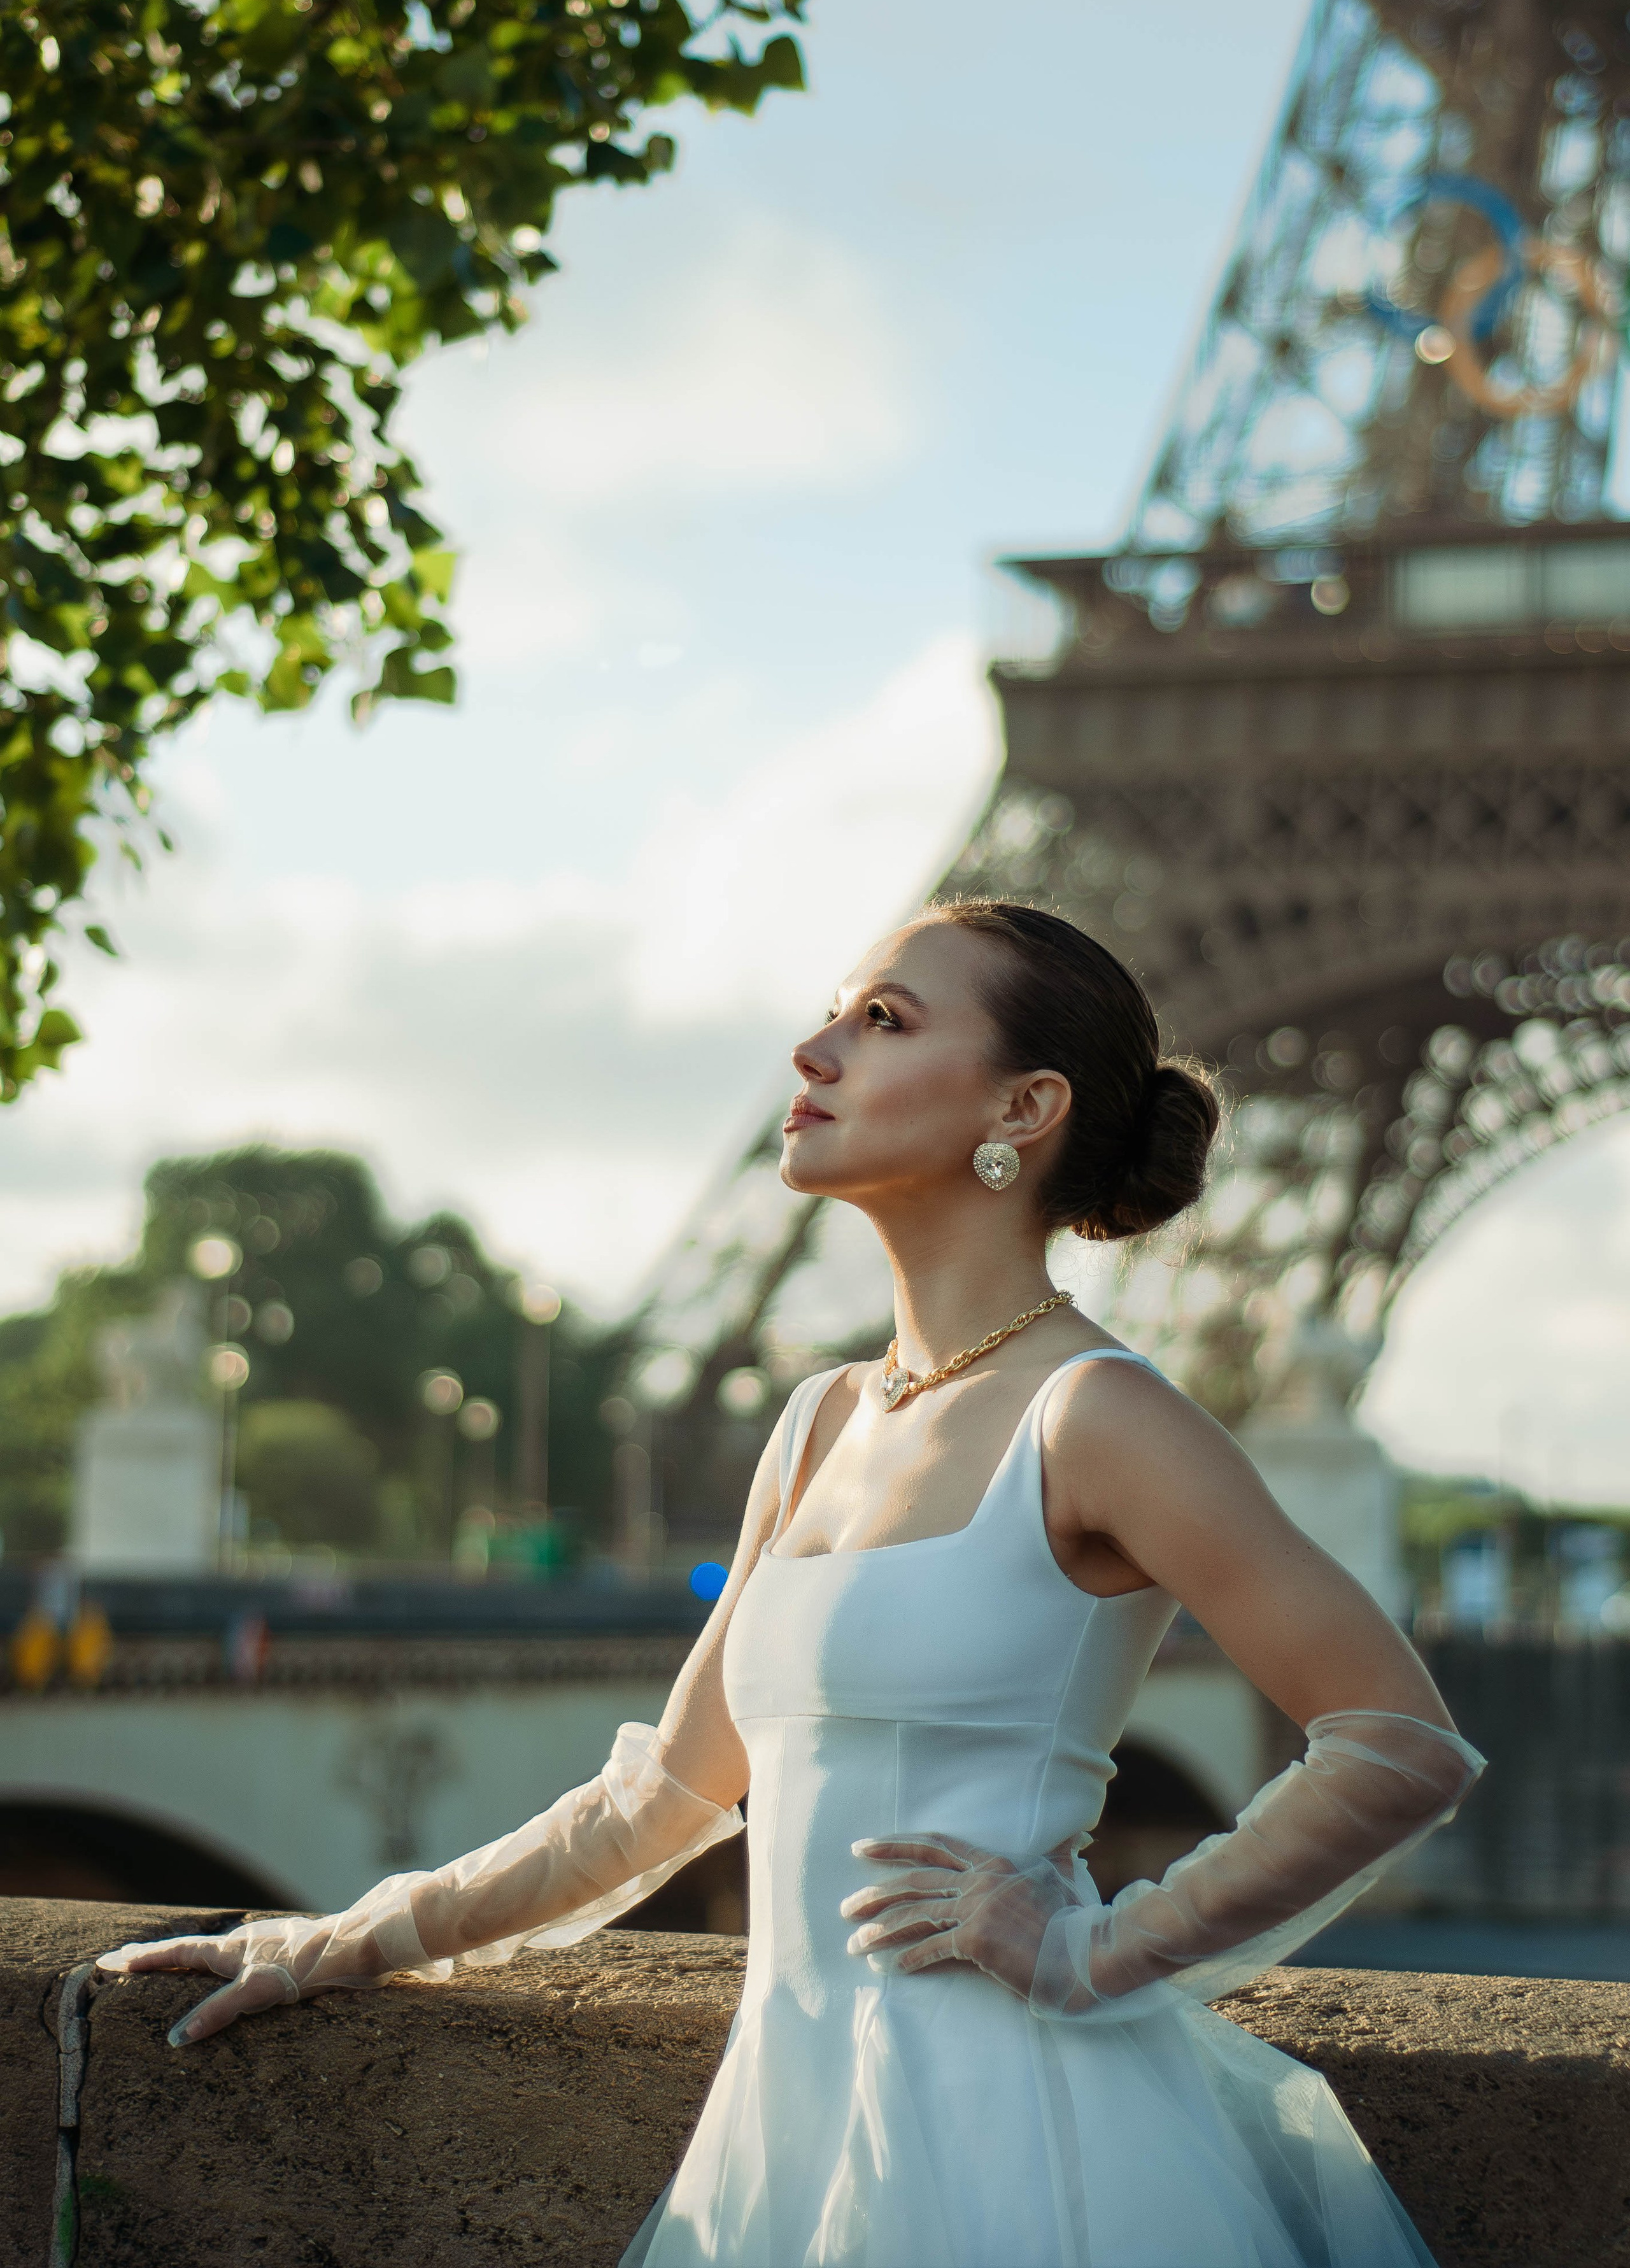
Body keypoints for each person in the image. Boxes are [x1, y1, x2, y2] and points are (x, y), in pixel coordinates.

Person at [102, 902, 1482, 2267]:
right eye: (834, 1010)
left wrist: (1101, 1947)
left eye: (880, 1019)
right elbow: (655, 1801)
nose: (813, 1049)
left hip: (1030, 2146)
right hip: (794, 2127)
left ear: (1025, 1105)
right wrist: (348, 1934)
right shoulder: (821, 1419)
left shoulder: (1095, 1414)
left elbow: (1395, 1739)